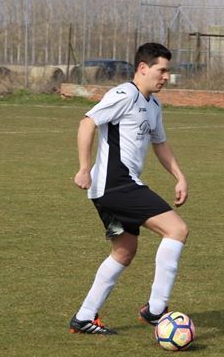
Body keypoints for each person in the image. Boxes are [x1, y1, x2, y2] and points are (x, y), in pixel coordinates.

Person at [70, 42, 189, 334]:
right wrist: (84, 168)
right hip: (116, 184)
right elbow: (87, 123)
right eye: (162, 70)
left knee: (124, 251)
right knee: (176, 230)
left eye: (168, 72)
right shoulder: (124, 94)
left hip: (115, 187)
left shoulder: (154, 105)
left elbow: (160, 143)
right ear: (143, 68)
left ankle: (84, 317)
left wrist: (179, 176)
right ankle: (156, 310)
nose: (166, 77)